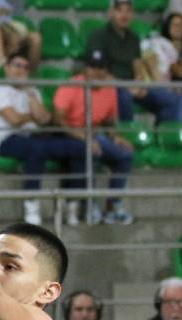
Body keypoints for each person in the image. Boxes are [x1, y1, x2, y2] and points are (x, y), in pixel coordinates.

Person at [0, 50, 87, 226]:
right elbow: (15, 120)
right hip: (7, 139)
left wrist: (31, 98)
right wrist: (33, 116)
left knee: (78, 147)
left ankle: (71, 203)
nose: (21, 70)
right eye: (17, 66)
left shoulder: (33, 91)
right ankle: (31, 204)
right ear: (7, 68)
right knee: (36, 149)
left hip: (34, 136)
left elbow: (45, 119)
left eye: (25, 67)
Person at [53, 49, 134, 226]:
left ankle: (113, 206)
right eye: (93, 67)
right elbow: (58, 118)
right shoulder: (72, 85)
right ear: (85, 69)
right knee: (89, 152)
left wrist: (116, 137)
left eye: (101, 68)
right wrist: (82, 137)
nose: (97, 72)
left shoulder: (109, 88)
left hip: (96, 135)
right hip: (71, 134)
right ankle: (90, 205)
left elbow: (110, 121)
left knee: (125, 154)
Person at [87, 0, 182, 124]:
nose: (124, 15)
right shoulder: (99, 35)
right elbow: (97, 72)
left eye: (128, 11)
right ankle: (127, 136)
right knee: (124, 96)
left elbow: (137, 64)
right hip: (111, 86)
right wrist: (126, 86)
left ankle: (163, 138)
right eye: (119, 11)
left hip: (132, 85)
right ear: (111, 13)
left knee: (170, 99)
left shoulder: (134, 37)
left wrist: (139, 82)